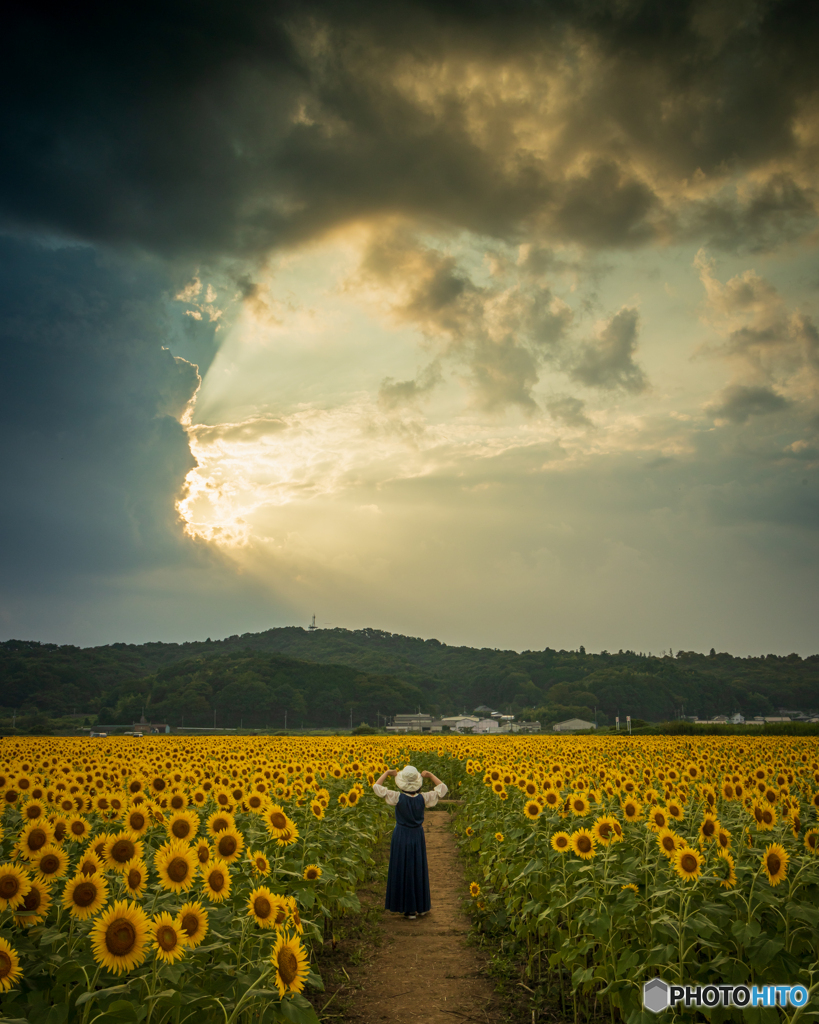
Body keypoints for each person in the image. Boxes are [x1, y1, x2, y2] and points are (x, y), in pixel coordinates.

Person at [372, 764, 448, 920]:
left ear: (402, 783)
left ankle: (408, 910)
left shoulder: (397, 797)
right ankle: (420, 908)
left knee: (403, 868)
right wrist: (430, 774)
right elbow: (443, 789)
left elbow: (376, 787)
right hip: (417, 835)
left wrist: (387, 773)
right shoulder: (424, 797)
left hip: (401, 835)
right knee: (417, 868)